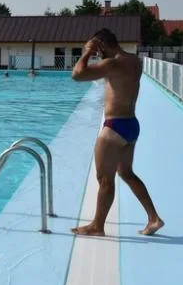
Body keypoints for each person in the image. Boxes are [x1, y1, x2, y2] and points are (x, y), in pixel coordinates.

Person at [70, 28, 164, 236]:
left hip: (114, 128)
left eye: (97, 49)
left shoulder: (112, 64)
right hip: (131, 125)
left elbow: (77, 75)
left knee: (105, 178)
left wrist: (85, 53)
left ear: (101, 45)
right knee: (126, 173)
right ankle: (154, 218)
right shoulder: (134, 61)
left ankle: (97, 225)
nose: (97, 54)